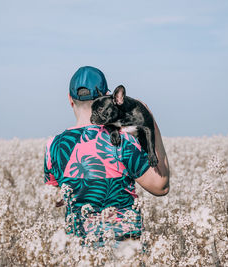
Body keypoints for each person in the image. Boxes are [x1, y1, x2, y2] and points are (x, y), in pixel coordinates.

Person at [43, 66, 170, 248]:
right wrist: (149, 120)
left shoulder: (54, 146)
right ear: (106, 97)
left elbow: (56, 199)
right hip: (125, 252)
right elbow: (161, 186)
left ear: (70, 100)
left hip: (79, 251)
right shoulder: (123, 141)